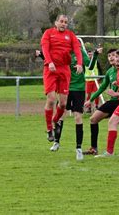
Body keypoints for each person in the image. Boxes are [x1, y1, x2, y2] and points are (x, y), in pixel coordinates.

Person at [50, 44, 101, 160]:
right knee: (60, 115)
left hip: (79, 89)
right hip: (65, 88)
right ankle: (56, 142)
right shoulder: (61, 52)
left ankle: (78, 148)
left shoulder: (80, 52)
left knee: (78, 117)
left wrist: (96, 54)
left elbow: (91, 66)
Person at [40, 15, 83, 143]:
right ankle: (49, 129)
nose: (64, 24)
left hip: (64, 70)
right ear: (56, 22)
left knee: (63, 104)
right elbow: (45, 48)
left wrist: (79, 63)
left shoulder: (70, 35)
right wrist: (49, 62)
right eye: (61, 21)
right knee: (52, 99)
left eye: (66, 22)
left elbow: (77, 50)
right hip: (51, 69)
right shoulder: (48, 33)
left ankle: (54, 121)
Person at [83, 48, 119, 156]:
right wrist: (90, 100)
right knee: (93, 119)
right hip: (113, 101)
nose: (111, 58)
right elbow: (102, 87)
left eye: (114, 55)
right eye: (109, 56)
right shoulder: (110, 72)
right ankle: (94, 148)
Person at [85, 49, 103, 113]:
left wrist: (100, 77)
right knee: (88, 94)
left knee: (96, 93)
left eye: (91, 54)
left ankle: (97, 106)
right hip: (88, 79)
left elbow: (100, 69)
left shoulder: (96, 61)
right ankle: (88, 107)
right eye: (89, 54)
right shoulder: (85, 61)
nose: (90, 56)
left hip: (95, 79)